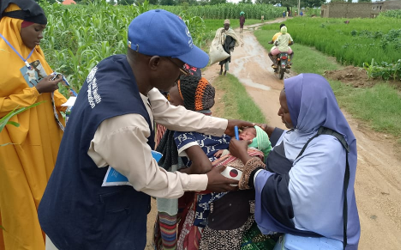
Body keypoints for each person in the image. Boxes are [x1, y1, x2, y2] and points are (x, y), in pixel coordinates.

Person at [38, 9, 252, 250]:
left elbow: (169, 113)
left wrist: (223, 126)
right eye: (181, 67)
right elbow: (149, 179)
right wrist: (204, 180)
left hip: (85, 200)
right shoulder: (123, 120)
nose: (182, 76)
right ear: (155, 62)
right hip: (86, 227)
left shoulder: (117, 68)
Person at [229, 74, 361, 249]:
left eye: (285, 110)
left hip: (309, 227)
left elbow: (286, 196)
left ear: (307, 111)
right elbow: (292, 142)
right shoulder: (307, 129)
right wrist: (266, 130)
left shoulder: (328, 149)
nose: (278, 113)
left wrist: (246, 158)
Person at [0, 0, 67, 249]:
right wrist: (34, 92)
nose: (40, 36)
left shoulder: (31, 52)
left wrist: (71, 105)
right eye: (37, 29)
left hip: (41, 144)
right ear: (18, 24)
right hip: (11, 147)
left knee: (45, 199)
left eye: (43, 31)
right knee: (20, 206)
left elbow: (47, 92)